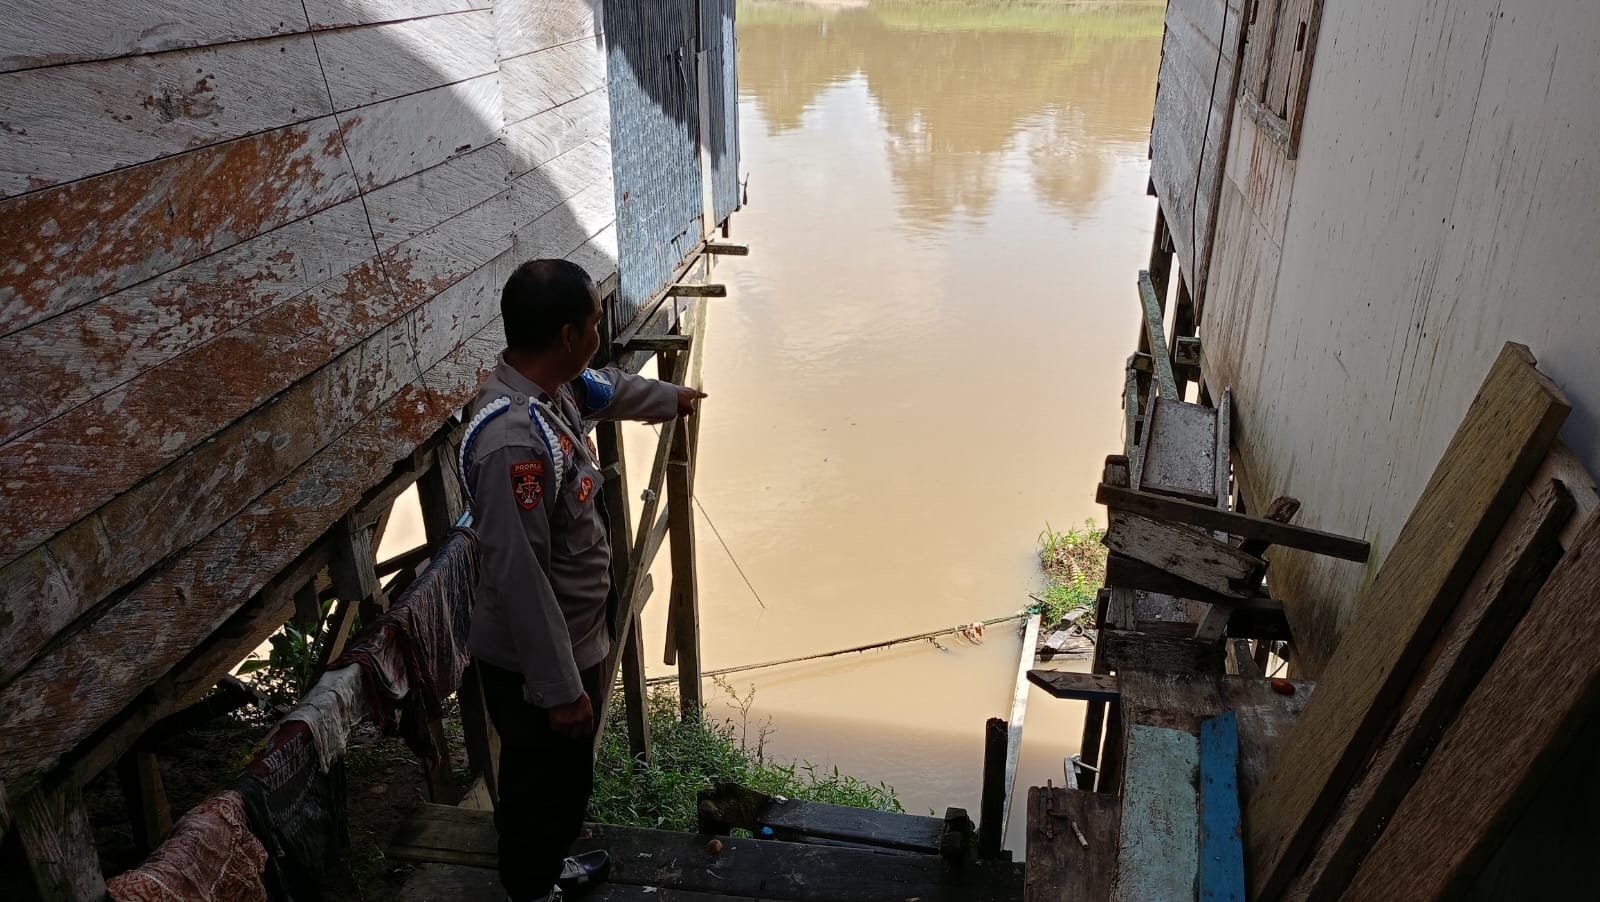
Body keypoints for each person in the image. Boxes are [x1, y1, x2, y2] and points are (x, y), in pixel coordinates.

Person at [461, 259, 705, 902]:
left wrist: (671, 400)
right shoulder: (512, 443)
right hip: (538, 665)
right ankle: (532, 891)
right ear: (568, 335)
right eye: (596, 324)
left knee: (566, 784)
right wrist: (561, 689)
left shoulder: (556, 389)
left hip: (576, 640)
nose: (602, 334)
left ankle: (547, 872)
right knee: (537, 787)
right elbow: (520, 580)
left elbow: (610, 388)